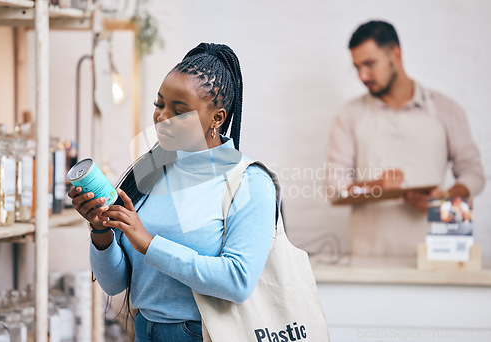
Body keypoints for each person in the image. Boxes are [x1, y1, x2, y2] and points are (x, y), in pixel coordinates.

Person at [68, 43, 277, 341]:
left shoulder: (250, 182)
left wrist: (150, 245)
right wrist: (100, 233)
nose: (162, 117)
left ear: (216, 118)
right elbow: (115, 285)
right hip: (144, 331)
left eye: (179, 111)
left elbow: (237, 281)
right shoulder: (149, 172)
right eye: (159, 103)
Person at [326, 21, 485, 257]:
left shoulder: (446, 109)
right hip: (369, 259)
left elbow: (473, 173)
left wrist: (445, 196)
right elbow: (334, 189)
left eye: (370, 64)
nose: (362, 75)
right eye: (357, 67)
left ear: (395, 54)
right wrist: (376, 187)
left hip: (438, 253)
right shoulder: (349, 115)